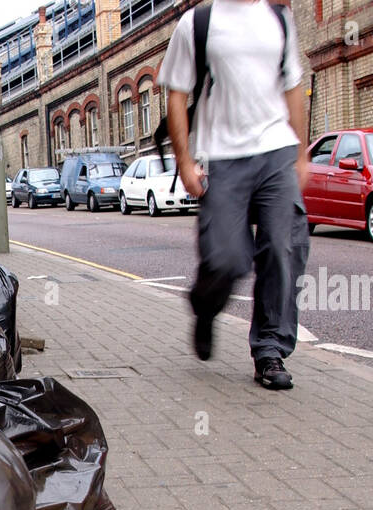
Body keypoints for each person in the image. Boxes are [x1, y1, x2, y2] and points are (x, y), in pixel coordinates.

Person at [158, 0, 310, 390]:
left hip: (276, 151)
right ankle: (205, 307)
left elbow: (292, 87)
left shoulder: (279, 19)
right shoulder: (197, 24)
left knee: (282, 247)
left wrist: (301, 152)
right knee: (227, 258)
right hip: (222, 157)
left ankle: (269, 351)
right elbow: (177, 95)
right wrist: (184, 161)